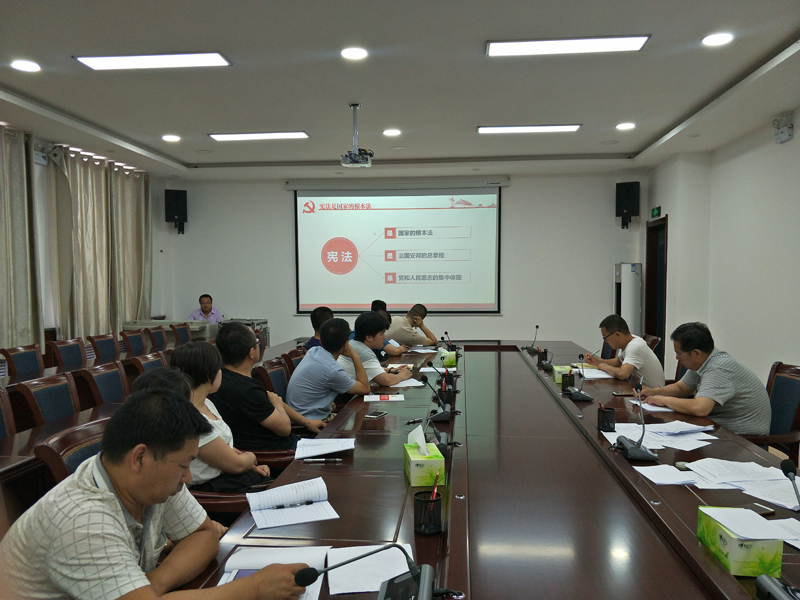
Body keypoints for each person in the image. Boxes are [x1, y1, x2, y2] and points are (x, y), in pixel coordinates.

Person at [0, 389, 307, 600]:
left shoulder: (145, 481)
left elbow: (203, 534)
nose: (187, 478)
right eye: (183, 466)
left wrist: (153, 585)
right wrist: (253, 589)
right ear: (140, 457)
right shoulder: (84, 520)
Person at [170, 342, 273, 493]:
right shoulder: (191, 418)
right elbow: (236, 465)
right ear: (209, 375)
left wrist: (250, 466)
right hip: (215, 489)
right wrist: (250, 458)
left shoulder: (207, 403)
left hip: (229, 477)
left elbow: (223, 448)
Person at [640, 322, 771, 435]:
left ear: (696, 353)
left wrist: (664, 400)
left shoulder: (718, 368)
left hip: (745, 439)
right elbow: (681, 388)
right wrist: (654, 392)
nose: (677, 358)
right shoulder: (704, 361)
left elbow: (700, 408)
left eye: (679, 354)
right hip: (720, 427)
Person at [210, 322, 325, 450]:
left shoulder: (223, 377)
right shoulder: (247, 391)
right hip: (281, 452)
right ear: (251, 353)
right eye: (257, 342)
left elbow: (269, 400)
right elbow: (285, 429)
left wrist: (307, 423)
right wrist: (277, 404)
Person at [286, 318, 371, 421]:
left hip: (297, 416)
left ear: (320, 340)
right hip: (309, 422)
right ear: (346, 345)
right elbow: (365, 388)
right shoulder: (333, 371)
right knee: (364, 420)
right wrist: (354, 356)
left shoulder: (313, 351)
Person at [584, 314, 665, 387]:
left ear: (617, 334)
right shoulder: (629, 340)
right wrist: (598, 361)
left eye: (605, 337)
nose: (606, 341)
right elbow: (619, 361)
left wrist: (606, 367)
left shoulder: (634, 346)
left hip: (653, 394)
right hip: (639, 389)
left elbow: (623, 374)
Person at [338, 312, 412, 386]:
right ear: (369, 337)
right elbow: (386, 381)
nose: (384, 337)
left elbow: (367, 368)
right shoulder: (365, 352)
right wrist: (402, 375)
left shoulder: (353, 343)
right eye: (382, 333)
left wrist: (390, 370)